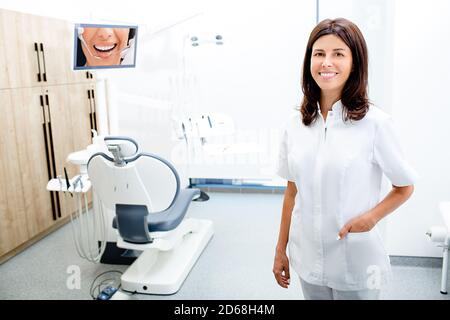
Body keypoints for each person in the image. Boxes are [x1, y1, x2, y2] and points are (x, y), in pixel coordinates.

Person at [272, 18, 417, 300]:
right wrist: (281, 250)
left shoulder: (376, 124)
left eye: (338, 54)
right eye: (319, 54)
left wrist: (371, 219)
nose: (327, 62)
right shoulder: (295, 123)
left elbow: (404, 186)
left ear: (355, 63)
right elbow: (291, 192)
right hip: (307, 256)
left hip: (355, 258)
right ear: (309, 62)